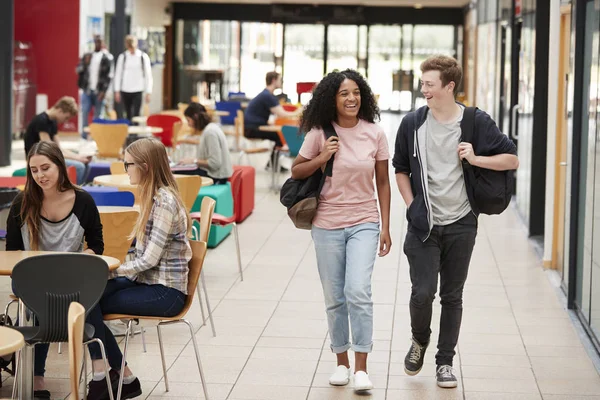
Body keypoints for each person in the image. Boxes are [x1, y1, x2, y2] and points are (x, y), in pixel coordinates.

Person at [392, 55, 519, 388]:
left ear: (449, 86)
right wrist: (411, 205)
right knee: (422, 293)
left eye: (429, 85)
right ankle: (419, 340)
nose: (424, 90)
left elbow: (512, 158)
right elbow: (401, 169)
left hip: (462, 222)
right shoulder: (412, 123)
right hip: (424, 224)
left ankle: (444, 362)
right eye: (423, 84)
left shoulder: (476, 121)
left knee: (452, 295)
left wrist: (476, 158)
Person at [291, 69, 392, 392]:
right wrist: (323, 156)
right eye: (343, 94)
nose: (351, 99)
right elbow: (296, 170)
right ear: (331, 99)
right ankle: (341, 363)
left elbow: (383, 182)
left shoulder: (374, 133)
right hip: (326, 224)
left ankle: (361, 367)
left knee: (358, 290)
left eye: (356, 93)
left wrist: (386, 226)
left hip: (364, 221)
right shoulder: (320, 132)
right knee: (335, 297)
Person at [85, 138, 192, 400]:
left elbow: (149, 261)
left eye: (128, 164)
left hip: (166, 293)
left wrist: (110, 271)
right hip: (148, 282)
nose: (126, 169)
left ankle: (106, 376)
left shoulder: (164, 202)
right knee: (84, 295)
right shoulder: (153, 196)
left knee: (87, 303)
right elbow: (143, 258)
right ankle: (121, 376)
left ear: (144, 166)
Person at [6, 141, 103, 400]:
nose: (40, 175)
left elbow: (97, 246)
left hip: (69, 279)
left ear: (60, 166)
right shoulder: (21, 204)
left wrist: (80, 262)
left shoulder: (83, 201)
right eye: (34, 170)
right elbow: (13, 253)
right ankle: (103, 371)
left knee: (77, 292)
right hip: (30, 279)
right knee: (49, 295)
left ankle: (41, 378)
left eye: (46, 168)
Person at [24, 96, 92, 184]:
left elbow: (58, 148)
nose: (66, 121)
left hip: (49, 156)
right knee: (79, 167)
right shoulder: (41, 121)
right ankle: (74, 192)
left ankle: (80, 189)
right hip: (39, 159)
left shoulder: (53, 122)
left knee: (86, 164)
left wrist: (80, 156)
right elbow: (50, 151)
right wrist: (77, 158)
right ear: (60, 110)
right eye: (66, 117)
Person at [244, 71, 302, 167]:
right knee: (280, 135)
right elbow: (282, 114)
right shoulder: (267, 96)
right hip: (251, 129)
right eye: (280, 80)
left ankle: (272, 164)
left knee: (278, 135)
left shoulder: (265, 94)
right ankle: (273, 165)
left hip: (250, 127)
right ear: (274, 80)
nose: (281, 82)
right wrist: (298, 111)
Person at [176, 102, 233, 184]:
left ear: (195, 117)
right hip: (215, 174)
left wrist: (194, 161)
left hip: (216, 176)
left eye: (189, 120)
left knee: (175, 174)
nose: (188, 124)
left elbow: (215, 163)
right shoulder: (211, 128)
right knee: (180, 170)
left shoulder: (210, 133)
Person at [77, 35, 114, 135]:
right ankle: (84, 137)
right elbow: (78, 70)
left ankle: (96, 137)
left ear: (103, 43)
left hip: (99, 91)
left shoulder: (107, 58)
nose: (98, 44)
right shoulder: (87, 56)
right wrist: (85, 63)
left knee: (98, 116)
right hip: (87, 90)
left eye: (100, 42)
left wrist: (104, 91)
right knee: (84, 112)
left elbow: (108, 77)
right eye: (96, 42)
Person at [114, 35, 153, 122]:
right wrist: (117, 90)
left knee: (136, 114)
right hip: (125, 89)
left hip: (138, 89)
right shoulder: (123, 57)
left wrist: (148, 91)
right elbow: (118, 74)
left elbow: (148, 75)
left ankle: (135, 133)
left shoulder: (143, 57)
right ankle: (129, 132)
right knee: (127, 113)